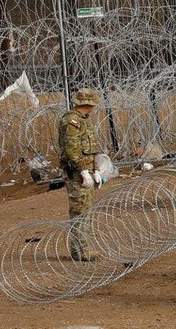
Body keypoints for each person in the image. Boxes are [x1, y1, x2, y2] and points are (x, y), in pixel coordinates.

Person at [58, 88, 107, 262]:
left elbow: (89, 149)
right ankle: (80, 251)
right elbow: (72, 149)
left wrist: (96, 170)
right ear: (89, 103)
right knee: (80, 212)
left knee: (86, 210)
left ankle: (82, 249)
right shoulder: (72, 120)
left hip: (86, 172)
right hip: (77, 174)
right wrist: (84, 171)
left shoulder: (83, 120)